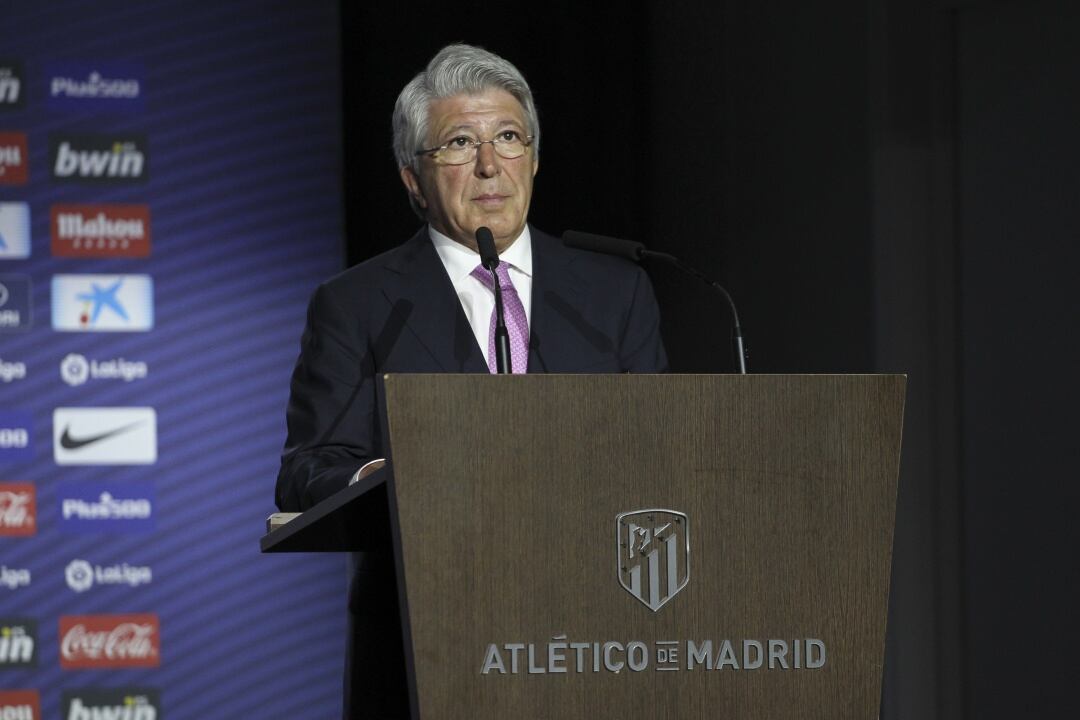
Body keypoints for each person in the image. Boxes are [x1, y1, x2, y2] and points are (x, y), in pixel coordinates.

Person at [275, 43, 667, 719]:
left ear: (535, 158)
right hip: (423, 650)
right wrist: (390, 476)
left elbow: (665, 453)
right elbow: (307, 471)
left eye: (509, 137)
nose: (490, 164)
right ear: (411, 177)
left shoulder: (615, 293)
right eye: (460, 142)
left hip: (599, 642)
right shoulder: (359, 304)